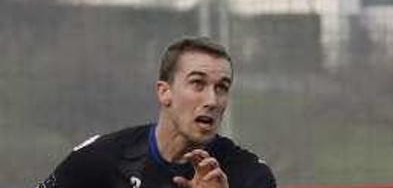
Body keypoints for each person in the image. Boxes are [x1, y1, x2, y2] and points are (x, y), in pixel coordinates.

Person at [38, 36, 276, 188]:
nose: (212, 100)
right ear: (165, 92)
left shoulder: (250, 176)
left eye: (222, 88)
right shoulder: (103, 158)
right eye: (197, 84)